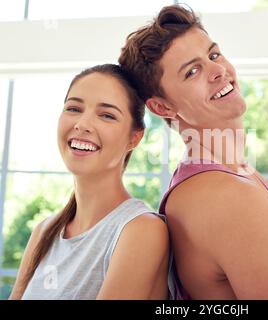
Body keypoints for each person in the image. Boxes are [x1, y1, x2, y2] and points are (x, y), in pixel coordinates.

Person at [119, 5, 268, 300]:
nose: (218, 70)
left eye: (213, 55)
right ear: (163, 107)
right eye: (192, 71)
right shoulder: (226, 195)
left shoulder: (240, 175)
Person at [9, 64, 170, 300]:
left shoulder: (141, 230)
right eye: (74, 108)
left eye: (107, 115)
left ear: (134, 138)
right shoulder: (44, 232)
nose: (82, 124)